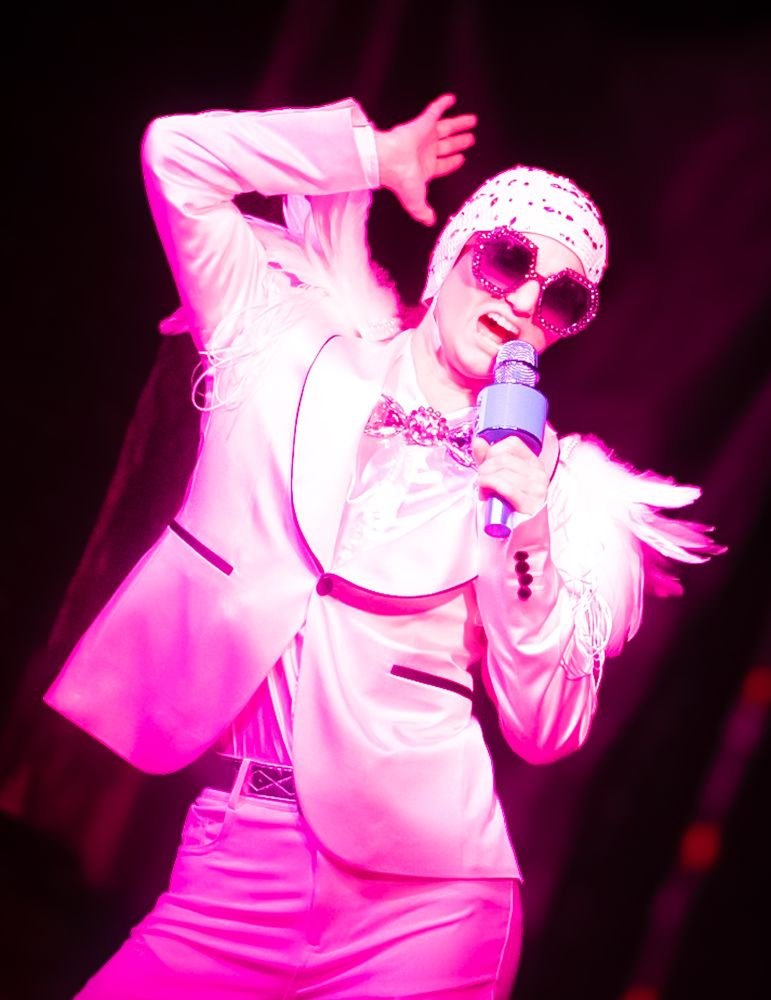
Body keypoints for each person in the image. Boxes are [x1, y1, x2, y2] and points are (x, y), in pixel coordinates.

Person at [44, 93, 723, 999]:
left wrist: (524, 525)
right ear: (451, 258)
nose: (522, 297)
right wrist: (367, 155)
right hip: (228, 868)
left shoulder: (553, 490)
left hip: (426, 903)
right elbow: (176, 158)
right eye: (508, 259)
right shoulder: (284, 345)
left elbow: (548, 730)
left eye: (559, 296)